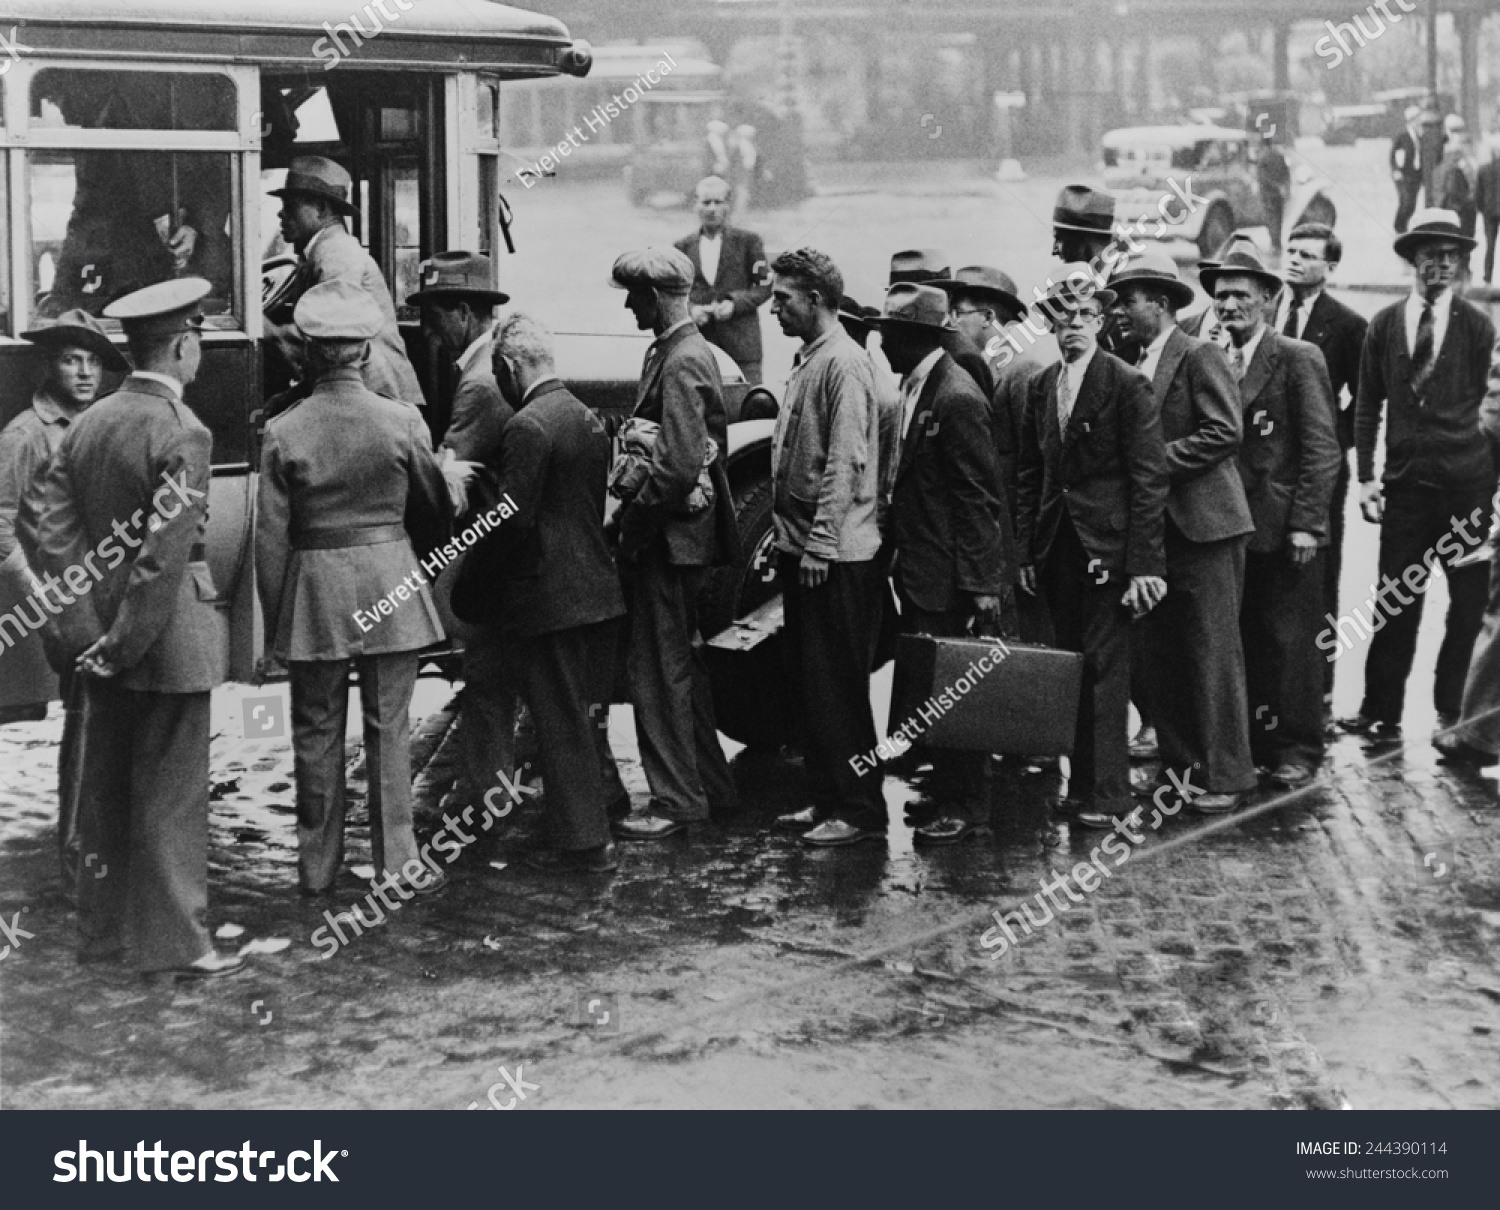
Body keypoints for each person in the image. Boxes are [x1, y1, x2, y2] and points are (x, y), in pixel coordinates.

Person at [32, 277, 241, 978]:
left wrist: (86, 627)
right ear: (183, 344)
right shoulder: (184, 430)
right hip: (167, 638)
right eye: (197, 342)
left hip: (98, 636)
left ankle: (102, 936)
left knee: (105, 792)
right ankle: (179, 943)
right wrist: (121, 642)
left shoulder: (86, 422)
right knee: (172, 795)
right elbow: (164, 554)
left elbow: (54, 530)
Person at [256, 280, 455, 899]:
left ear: (311, 352)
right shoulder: (402, 422)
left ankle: (317, 869)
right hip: (392, 586)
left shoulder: (283, 431)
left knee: (315, 732)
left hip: (315, 595)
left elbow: (270, 542)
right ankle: (397, 862)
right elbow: (436, 508)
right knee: (390, 728)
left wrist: (275, 617)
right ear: (367, 352)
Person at [455, 315, 628, 872]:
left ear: (508, 367)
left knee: (558, 721)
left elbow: (512, 520)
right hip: (593, 587)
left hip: (548, 594)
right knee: (576, 713)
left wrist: (474, 582)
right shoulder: (585, 417)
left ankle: (583, 842)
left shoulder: (527, 426)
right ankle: (595, 819)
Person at [1015, 268, 1168, 829]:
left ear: (1101, 323)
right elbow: (1032, 473)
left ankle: (1108, 796)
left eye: (1084, 316)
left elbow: (1149, 479)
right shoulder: (1042, 385)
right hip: (1057, 548)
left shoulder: (1126, 383)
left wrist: (1144, 565)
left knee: (1106, 670)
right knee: (1073, 668)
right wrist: (1027, 553)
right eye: (1063, 317)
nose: (1073, 326)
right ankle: (1079, 789)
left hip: (1109, 547)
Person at [1109, 250, 1257, 810]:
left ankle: (1225, 776)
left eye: (1129, 301)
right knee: (1161, 654)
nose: (1119, 311)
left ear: (1163, 303)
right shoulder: (1128, 360)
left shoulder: (1200, 355)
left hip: (1208, 529)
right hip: (1157, 534)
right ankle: (1183, 768)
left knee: (1213, 653)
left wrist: (1153, 463)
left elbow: (1225, 432)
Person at [1342, 209, 1496, 745]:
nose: (1442, 263)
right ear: (1412, 259)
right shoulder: (1384, 325)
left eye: (1452, 255)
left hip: (1467, 489)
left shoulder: (1479, 326)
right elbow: (1367, 405)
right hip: (1405, 488)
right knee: (1395, 600)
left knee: (1468, 607)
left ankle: (1452, 711)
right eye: (1431, 253)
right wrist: (1366, 477)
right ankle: (1380, 709)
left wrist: (1491, 489)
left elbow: (1494, 410)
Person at [607, 246, 739, 840]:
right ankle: (711, 785)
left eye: (635, 296)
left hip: (669, 544)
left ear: (658, 297)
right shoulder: (679, 351)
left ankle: (676, 801)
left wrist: (628, 531)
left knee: (659, 674)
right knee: (684, 666)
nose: (631, 307)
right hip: (682, 542)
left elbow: (678, 466)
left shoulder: (682, 358)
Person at [761, 249, 888, 846]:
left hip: (836, 561)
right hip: (806, 553)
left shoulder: (845, 362)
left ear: (815, 299)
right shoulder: (813, 357)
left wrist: (819, 543)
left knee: (838, 685)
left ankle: (859, 809)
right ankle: (825, 798)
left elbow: (847, 460)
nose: (774, 306)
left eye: (784, 297)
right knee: (812, 683)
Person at [880, 282, 1013, 844]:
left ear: (915, 339)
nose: (881, 344)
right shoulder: (922, 386)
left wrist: (983, 587)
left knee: (957, 687)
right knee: (936, 686)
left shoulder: (954, 397)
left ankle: (968, 805)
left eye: (890, 334)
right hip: (923, 570)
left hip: (948, 577)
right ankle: (948, 793)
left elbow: (979, 498)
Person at [1, 311, 128, 891]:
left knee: (111, 730)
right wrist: (42, 605)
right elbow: (1, 530)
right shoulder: (26, 435)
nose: (83, 372)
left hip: (109, 602)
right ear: (48, 366)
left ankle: (106, 856)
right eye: (70, 359)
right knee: (85, 734)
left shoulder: (102, 425)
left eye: (93, 361)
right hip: (66, 609)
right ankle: (81, 863)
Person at [1206, 246, 1340, 793]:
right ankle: (1257, 744)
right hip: (1226, 529)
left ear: (1267, 298)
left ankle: (1298, 748)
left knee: (1291, 641)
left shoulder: (1296, 357)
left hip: (1283, 529)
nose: (1230, 304)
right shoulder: (1208, 356)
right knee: (1243, 639)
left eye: (1241, 294)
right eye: (1221, 296)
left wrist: (1307, 522)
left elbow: (1321, 448)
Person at [408, 252, 529, 820]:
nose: (428, 331)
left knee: (487, 677)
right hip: (505, 551)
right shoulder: (487, 369)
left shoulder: (479, 384)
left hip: (489, 555)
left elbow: (449, 481)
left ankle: (487, 796)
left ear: (462, 313)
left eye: (434, 316)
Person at [1273, 223, 1368, 712]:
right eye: (1289, 250)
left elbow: (1368, 394)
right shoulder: (1270, 310)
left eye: (1306, 254)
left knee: (1320, 576)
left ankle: (1321, 685)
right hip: (1270, 466)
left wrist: (1335, 436)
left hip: (1320, 470)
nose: (1293, 260)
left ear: (1329, 267)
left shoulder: (1348, 325)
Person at [265, 156, 424, 406]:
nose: (281, 214)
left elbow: (328, 332)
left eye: (291, 206)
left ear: (320, 208)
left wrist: (264, 327)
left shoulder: (335, 250)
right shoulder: (320, 251)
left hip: (380, 398)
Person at [674, 176, 772, 385]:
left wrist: (735, 304)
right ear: (695, 205)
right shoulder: (682, 247)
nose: (712, 209)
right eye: (705, 202)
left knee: (749, 405)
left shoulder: (748, 242)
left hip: (743, 346)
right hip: (700, 345)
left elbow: (764, 285)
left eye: (718, 202)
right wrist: (691, 310)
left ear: (729, 205)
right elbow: (674, 294)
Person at [1050, 185, 1140, 364]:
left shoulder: (1131, 284)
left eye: (1059, 238)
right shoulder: (1089, 282)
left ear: (1082, 240)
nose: (1054, 250)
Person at [888, 250, 994, 397]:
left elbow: (971, 412)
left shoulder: (963, 355)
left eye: (912, 297)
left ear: (943, 295)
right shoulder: (914, 347)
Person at [1436, 116, 1478, 274]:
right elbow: (1454, 190)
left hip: (1458, 209)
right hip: (1460, 210)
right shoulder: (1455, 165)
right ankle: (1461, 271)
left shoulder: (1454, 164)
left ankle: (1461, 270)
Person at [1392, 105, 1424, 234]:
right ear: (1411, 121)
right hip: (1404, 175)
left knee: (1412, 204)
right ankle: (1398, 226)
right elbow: (1394, 155)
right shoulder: (1402, 137)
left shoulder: (1420, 137)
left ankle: (1404, 226)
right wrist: (1396, 170)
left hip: (1416, 175)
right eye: (1417, 120)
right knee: (1405, 201)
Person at [1255, 142, 1291, 255]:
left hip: (1268, 193)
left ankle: (1274, 244)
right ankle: (1278, 243)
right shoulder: (1279, 156)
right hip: (1279, 193)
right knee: (1278, 218)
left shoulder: (1262, 158)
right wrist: (1285, 187)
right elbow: (1286, 173)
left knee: (1271, 219)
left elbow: (1262, 177)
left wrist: (1275, 186)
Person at [1474, 140, 1500, 284]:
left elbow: (1478, 193)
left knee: (1490, 245)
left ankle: (1487, 276)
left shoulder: (1483, 169)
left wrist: (1480, 208)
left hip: (1489, 212)